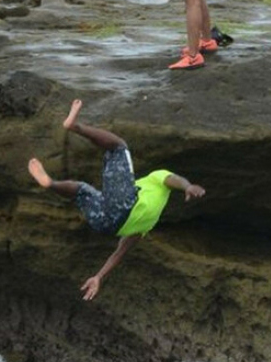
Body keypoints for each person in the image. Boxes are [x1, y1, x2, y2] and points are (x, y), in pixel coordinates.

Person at [27, 99, 205, 301]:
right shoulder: (146, 226)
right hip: (107, 226)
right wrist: (99, 277)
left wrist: (188, 186)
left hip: (121, 208)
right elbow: (119, 253)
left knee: (118, 147)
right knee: (82, 191)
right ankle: (50, 183)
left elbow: (173, 179)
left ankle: (72, 131)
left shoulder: (157, 177)